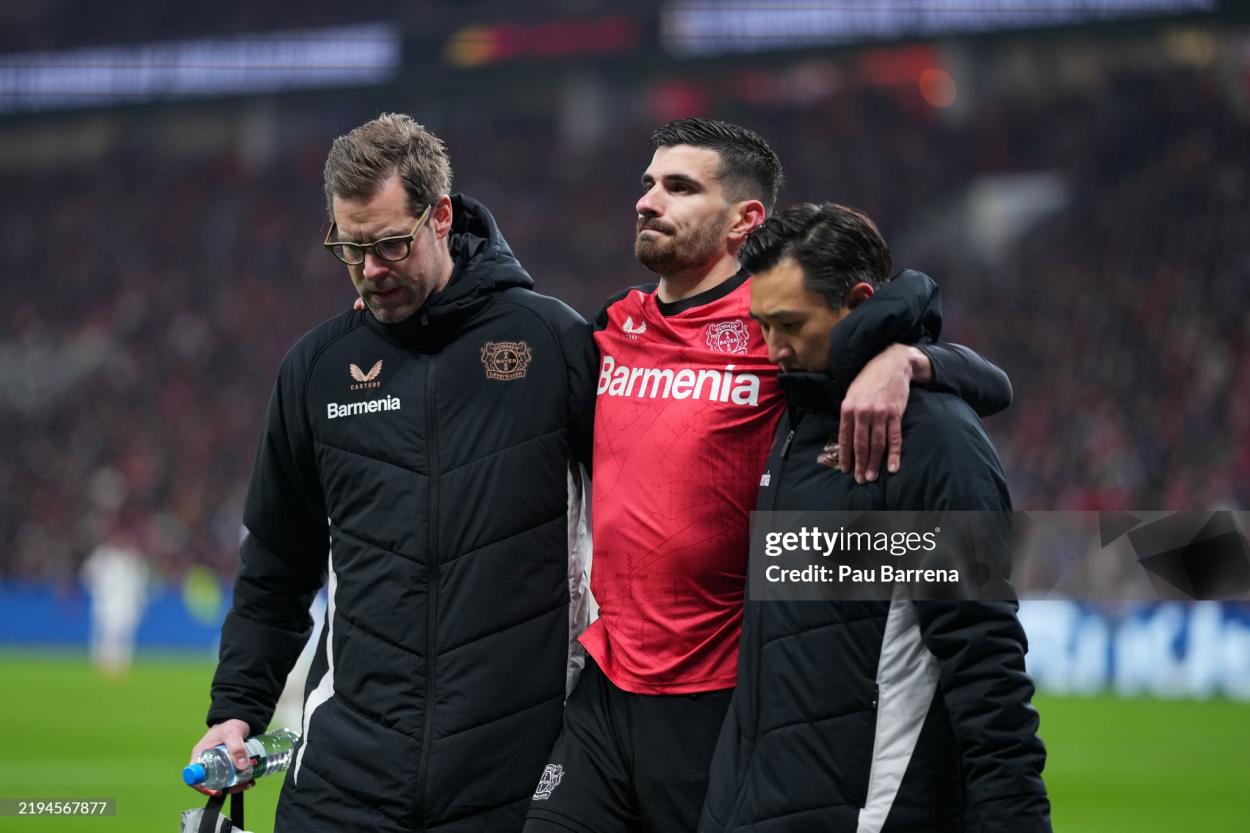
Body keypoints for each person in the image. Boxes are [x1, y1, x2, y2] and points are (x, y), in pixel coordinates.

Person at [525, 120, 1015, 833]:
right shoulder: (611, 327)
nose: (648, 200)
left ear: (744, 219)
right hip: (608, 684)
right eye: (648, 183)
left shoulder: (774, 331)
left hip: (719, 692)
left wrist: (913, 359)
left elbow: (975, 377)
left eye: (680, 186)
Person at [189, 113, 597, 833]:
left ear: (441, 216)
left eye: (389, 245)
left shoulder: (551, 341)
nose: (371, 270)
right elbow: (277, 570)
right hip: (343, 781)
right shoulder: (314, 370)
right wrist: (235, 710)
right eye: (350, 250)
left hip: (516, 781)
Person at [699, 203, 1050, 832]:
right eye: (761, 324)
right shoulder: (795, 424)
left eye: (789, 324)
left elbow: (985, 665)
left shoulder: (935, 440)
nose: (772, 349)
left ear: (857, 300)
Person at [80, 516, 149, 678]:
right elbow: (87, 575)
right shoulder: (102, 556)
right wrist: (97, 590)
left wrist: (141, 603)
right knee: (107, 634)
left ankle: (122, 667)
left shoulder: (133, 559)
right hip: (106, 604)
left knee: (125, 634)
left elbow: (141, 584)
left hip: (128, 604)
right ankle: (103, 667)